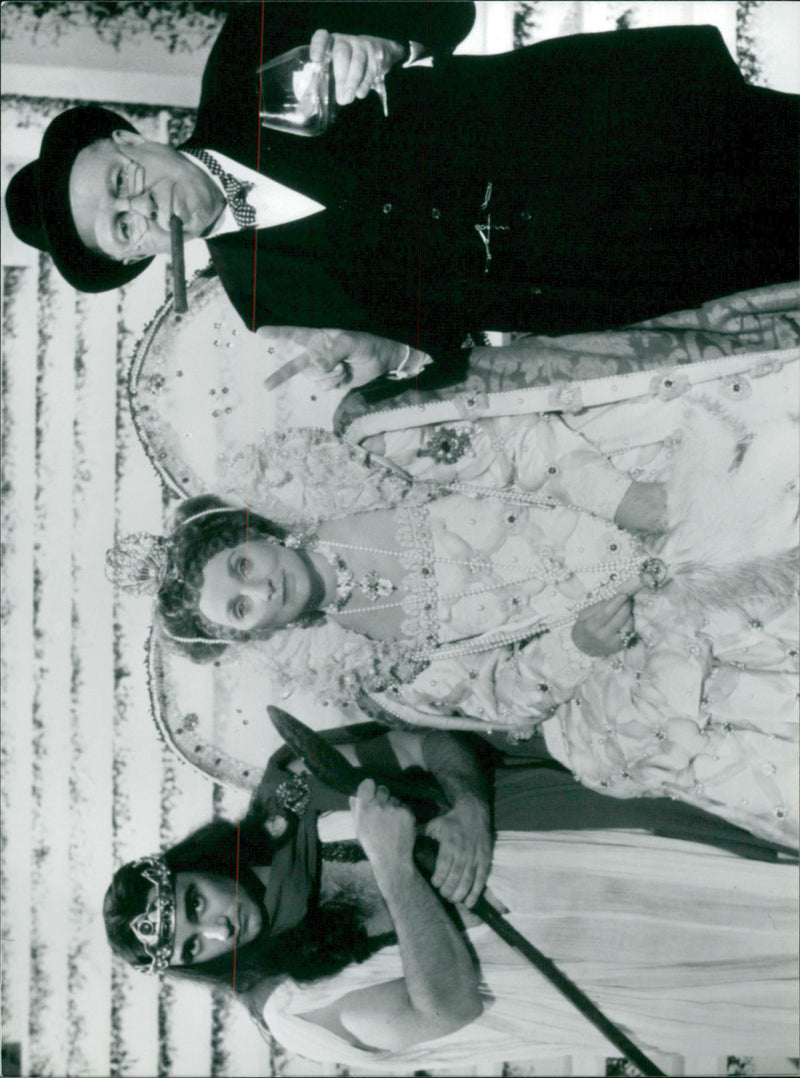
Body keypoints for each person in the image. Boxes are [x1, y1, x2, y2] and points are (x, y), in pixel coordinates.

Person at [106, 346, 799, 850]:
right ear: (249, 634)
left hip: (611, 502)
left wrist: (631, 502)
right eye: (240, 606)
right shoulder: (385, 673)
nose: (259, 586)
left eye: (241, 564)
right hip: (613, 634)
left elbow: (522, 447)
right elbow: (502, 697)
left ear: (251, 533)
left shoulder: (369, 465)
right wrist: (577, 645)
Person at [7, 4, 798, 398]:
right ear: (137, 256)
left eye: (120, 182)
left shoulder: (248, 53)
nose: (142, 207)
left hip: (615, 129)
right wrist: (397, 354)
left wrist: (389, 37)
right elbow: (451, 347)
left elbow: (448, 4)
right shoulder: (269, 302)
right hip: (615, 273)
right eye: (122, 229)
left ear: (133, 142)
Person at [104, 728, 798, 1068]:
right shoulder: (290, 1005)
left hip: (596, 829)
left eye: (196, 905)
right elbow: (446, 1006)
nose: (222, 927)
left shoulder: (291, 784)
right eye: (197, 947)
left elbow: (433, 737)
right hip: (614, 958)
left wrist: (466, 803)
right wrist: (395, 870)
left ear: (194, 866)